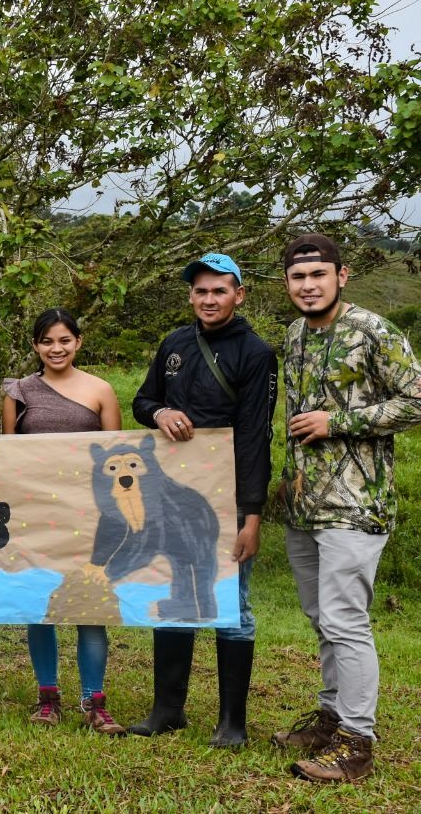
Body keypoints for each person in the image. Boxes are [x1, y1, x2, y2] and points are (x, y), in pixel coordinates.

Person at [270, 233, 421, 782]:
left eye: (318, 275)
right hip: (304, 504)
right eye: (298, 277)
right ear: (287, 283)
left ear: (342, 275)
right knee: (321, 619)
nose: (308, 286)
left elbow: (416, 399)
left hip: (357, 504)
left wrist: (339, 422)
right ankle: (331, 716)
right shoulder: (295, 335)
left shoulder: (374, 331)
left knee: (345, 620)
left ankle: (357, 742)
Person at [130, 253, 277, 746]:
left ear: (239, 294)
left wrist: (251, 516)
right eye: (200, 291)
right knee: (176, 589)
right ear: (191, 296)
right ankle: (167, 709)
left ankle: (232, 722)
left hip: (228, 497)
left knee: (232, 601)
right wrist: (160, 413)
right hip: (173, 496)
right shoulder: (174, 343)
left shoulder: (256, 353)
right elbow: (142, 400)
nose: (209, 299)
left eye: (219, 290)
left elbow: (255, 437)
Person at [2, 309, 124, 734]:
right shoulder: (19, 391)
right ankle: (47, 697)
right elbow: (7, 457)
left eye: (65, 340)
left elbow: (113, 457)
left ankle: (94, 700)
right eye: (47, 341)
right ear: (35, 346)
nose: (56, 349)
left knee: (91, 605)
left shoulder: (100, 391)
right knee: (41, 605)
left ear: (78, 342)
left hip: (89, 515)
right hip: (36, 515)